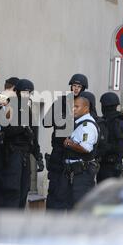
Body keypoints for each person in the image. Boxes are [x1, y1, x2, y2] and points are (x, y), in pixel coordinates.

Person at [0, 79, 44, 209]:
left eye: (29, 93)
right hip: (12, 154)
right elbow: (4, 129)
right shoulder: (9, 106)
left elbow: (33, 136)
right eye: (24, 92)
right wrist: (22, 127)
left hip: (24, 155)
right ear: (18, 92)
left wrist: (38, 156)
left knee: (23, 190)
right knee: (11, 190)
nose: (26, 95)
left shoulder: (27, 109)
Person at [44, 73, 89, 210]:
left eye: (79, 86)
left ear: (83, 88)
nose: (75, 89)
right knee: (55, 189)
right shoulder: (61, 102)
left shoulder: (86, 103)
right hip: (59, 150)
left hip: (76, 153)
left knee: (74, 194)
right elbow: (46, 122)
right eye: (74, 86)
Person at [62, 96, 99, 208]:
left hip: (82, 174)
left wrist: (69, 143)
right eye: (72, 106)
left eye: (77, 106)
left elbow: (86, 148)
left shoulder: (87, 126)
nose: (73, 109)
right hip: (74, 173)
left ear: (86, 108)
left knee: (79, 207)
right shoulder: (79, 123)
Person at [97, 92, 123, 183]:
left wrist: (106, 148)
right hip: (104, 164)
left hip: (111, 166)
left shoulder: (118, 122)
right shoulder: (107, 120)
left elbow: (121, 145)